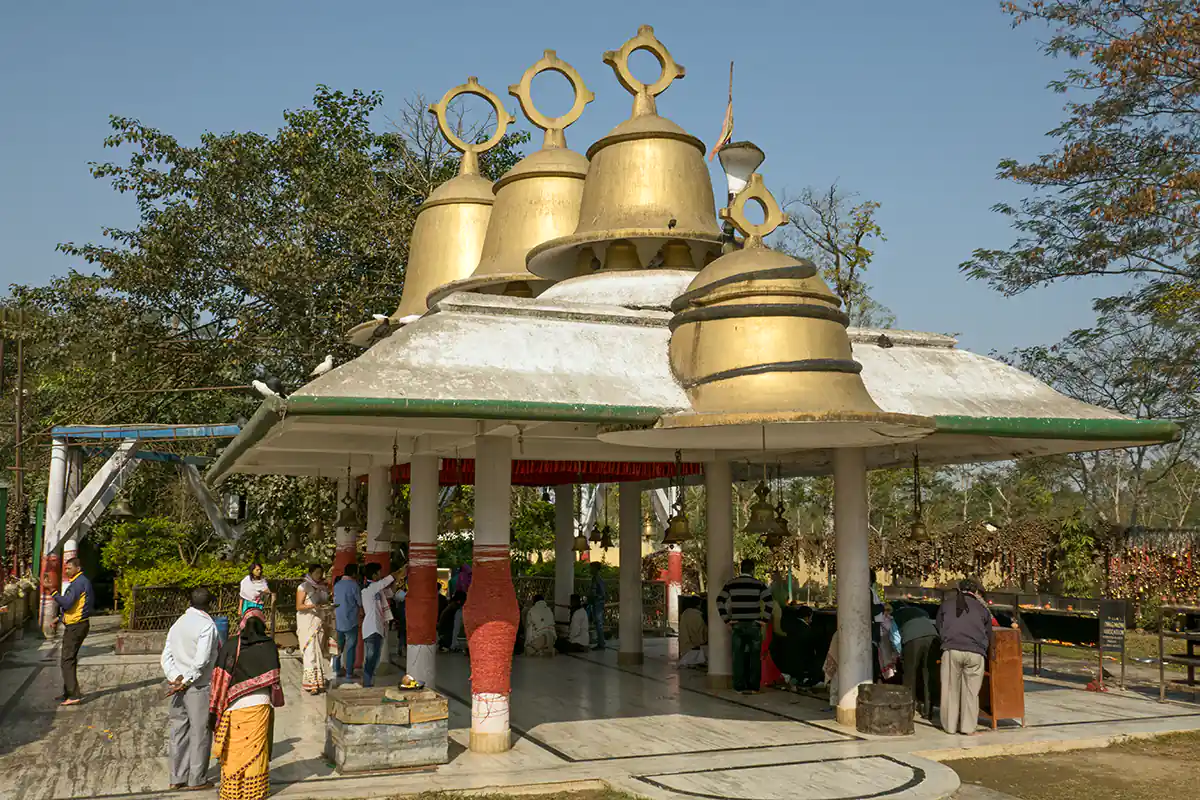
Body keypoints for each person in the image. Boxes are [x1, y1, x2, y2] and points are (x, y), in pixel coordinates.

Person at [209, 610, 284, 800]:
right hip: (260, 706)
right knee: (256, 752)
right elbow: (275, 678)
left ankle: (232, 792)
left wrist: (213, 712)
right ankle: (254, 792)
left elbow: (219, 679)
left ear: (242, 624)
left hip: (234, 708)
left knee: (234, 752)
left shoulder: (231, 645)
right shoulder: (269, 646)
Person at [161, 588, 220, 791]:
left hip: (178, 685)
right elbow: (201, 661)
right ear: (209, 604)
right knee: (200, 733)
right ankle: (197, 779)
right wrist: (186, 680)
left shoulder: (179, 623)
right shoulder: (207, 626)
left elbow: (166, 656)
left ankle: (176, 777)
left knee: (178, 731)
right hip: (198, 686)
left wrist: (175, 677)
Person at [936, 578, 993, 735]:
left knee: (950, 689)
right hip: (975, 653)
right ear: (975, 592)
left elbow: (939, 626)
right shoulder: (982, 609)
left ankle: (950, 727)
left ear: (959, 590)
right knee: (971, 692)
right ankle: (968, 728)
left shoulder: (946, 604)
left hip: (952, 649)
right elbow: (989, 633)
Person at [716, 559, 774, 693]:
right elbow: (769, 602)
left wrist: (727, 619)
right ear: (752, 570)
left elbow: (720, 601)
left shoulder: (731, 584)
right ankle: (753, 686)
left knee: (738, 656)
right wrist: (764, 620)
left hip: (737, 624)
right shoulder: (759, 584)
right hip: (754, 625)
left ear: (741, 569)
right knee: (755, 656)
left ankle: (739, 686)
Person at [42, 556, 93, 706]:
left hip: (76, 626)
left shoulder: (78, 583)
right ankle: (68, 692)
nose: (66, 570)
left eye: (69, 568)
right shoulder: (81, 582)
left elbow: (68, 602)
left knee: (67, 659)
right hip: (78, 624)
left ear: (78, 568)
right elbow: (76, 606)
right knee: (69, 659)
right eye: (65, 568)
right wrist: (60, 618)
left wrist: (52, 591)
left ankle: (73, 695)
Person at [893, 602, 941, 720]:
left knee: (910, 675)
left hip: (912, 639)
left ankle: (908, 710)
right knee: (928, 675)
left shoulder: (896, 615)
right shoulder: (922, 611)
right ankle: (928, 711)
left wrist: (900, 653)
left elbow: (895, 637)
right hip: (933, 637)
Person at [361, 563, 404, 687]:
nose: (381, 575)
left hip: (378, 627)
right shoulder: (369, 589)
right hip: (371, 627)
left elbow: (391, 592)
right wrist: (400, 571)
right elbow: (386, 581)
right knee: (371, 656)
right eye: (379, 573)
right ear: (374, 574)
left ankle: (369, 680)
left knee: (375, 656)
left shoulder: (378, 590)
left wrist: (398, 579)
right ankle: (367, 681)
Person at [296, 564, 329, 694]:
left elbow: (324, 602)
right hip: (307, 622)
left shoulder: (322, 587)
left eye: (321, 573)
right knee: (309, 652)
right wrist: (313, 606)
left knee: (318, 651)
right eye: (317, 573)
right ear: (310, 573)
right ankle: (311, 684)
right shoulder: (303, 587)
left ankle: (319, 682)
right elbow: (299, 606)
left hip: (318, 621)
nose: (319, 575)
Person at [332, 564, 362, 680]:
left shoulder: (337, 585)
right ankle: (349, 672)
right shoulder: (354, 585)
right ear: (354, 573)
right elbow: (359, 602)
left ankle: (336, 669)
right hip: (351, 621)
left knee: (338, 647)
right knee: (350, 648)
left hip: (339, 620)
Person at [677, 596, 708, 669]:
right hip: (695, 649)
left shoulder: (684, 614)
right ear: (698, 605)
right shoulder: (698, 615)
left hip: (684, 650)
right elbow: (703, 637)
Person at [589, 562, 607, 651]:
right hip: (596, 603)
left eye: (591, 568)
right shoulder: (595, 579)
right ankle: (600, 642)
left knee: (598, 623)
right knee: (597, 623)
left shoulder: (597, 579)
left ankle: (601, 643)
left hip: (598, 604)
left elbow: (601, 594)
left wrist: (594, 597)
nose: (590, 570)